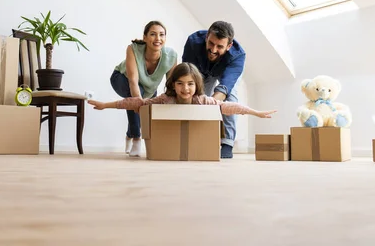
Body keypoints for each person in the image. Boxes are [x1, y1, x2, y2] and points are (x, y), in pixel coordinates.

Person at [90, 62, 274, 118]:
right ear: (173, 85)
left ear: (197, 85)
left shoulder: (201, 100)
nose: (185, 89)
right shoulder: (165, 99)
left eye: (190, 84)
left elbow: (228, 107)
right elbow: (137, 103)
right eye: (180, 83)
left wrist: (255, 112)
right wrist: (105, 105)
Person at [110, 21, 177, 157]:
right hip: (121, 79)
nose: (158, 38)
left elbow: (171, 85)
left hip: (149, 89)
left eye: (161, 35)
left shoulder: (171, 56)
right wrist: (138, 103)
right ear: (145, 37)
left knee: (145, 109)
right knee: (136, 97)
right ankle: (136, 139)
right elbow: (133, 80)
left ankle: (129, 135)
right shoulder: (133, 49)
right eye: (153, 34)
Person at [182, 21, 245, 159]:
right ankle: (197, 139)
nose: (213, 49)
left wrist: (211, 104)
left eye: (220, 46)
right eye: (211, 43)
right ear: (206, 38)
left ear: (229, 46)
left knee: (230, 99)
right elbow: (188, 77)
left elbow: (224, 90)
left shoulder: (238, 56)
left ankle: (227, 143)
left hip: (225, 74)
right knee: (196, 97)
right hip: (201, 71)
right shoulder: (193, 42)